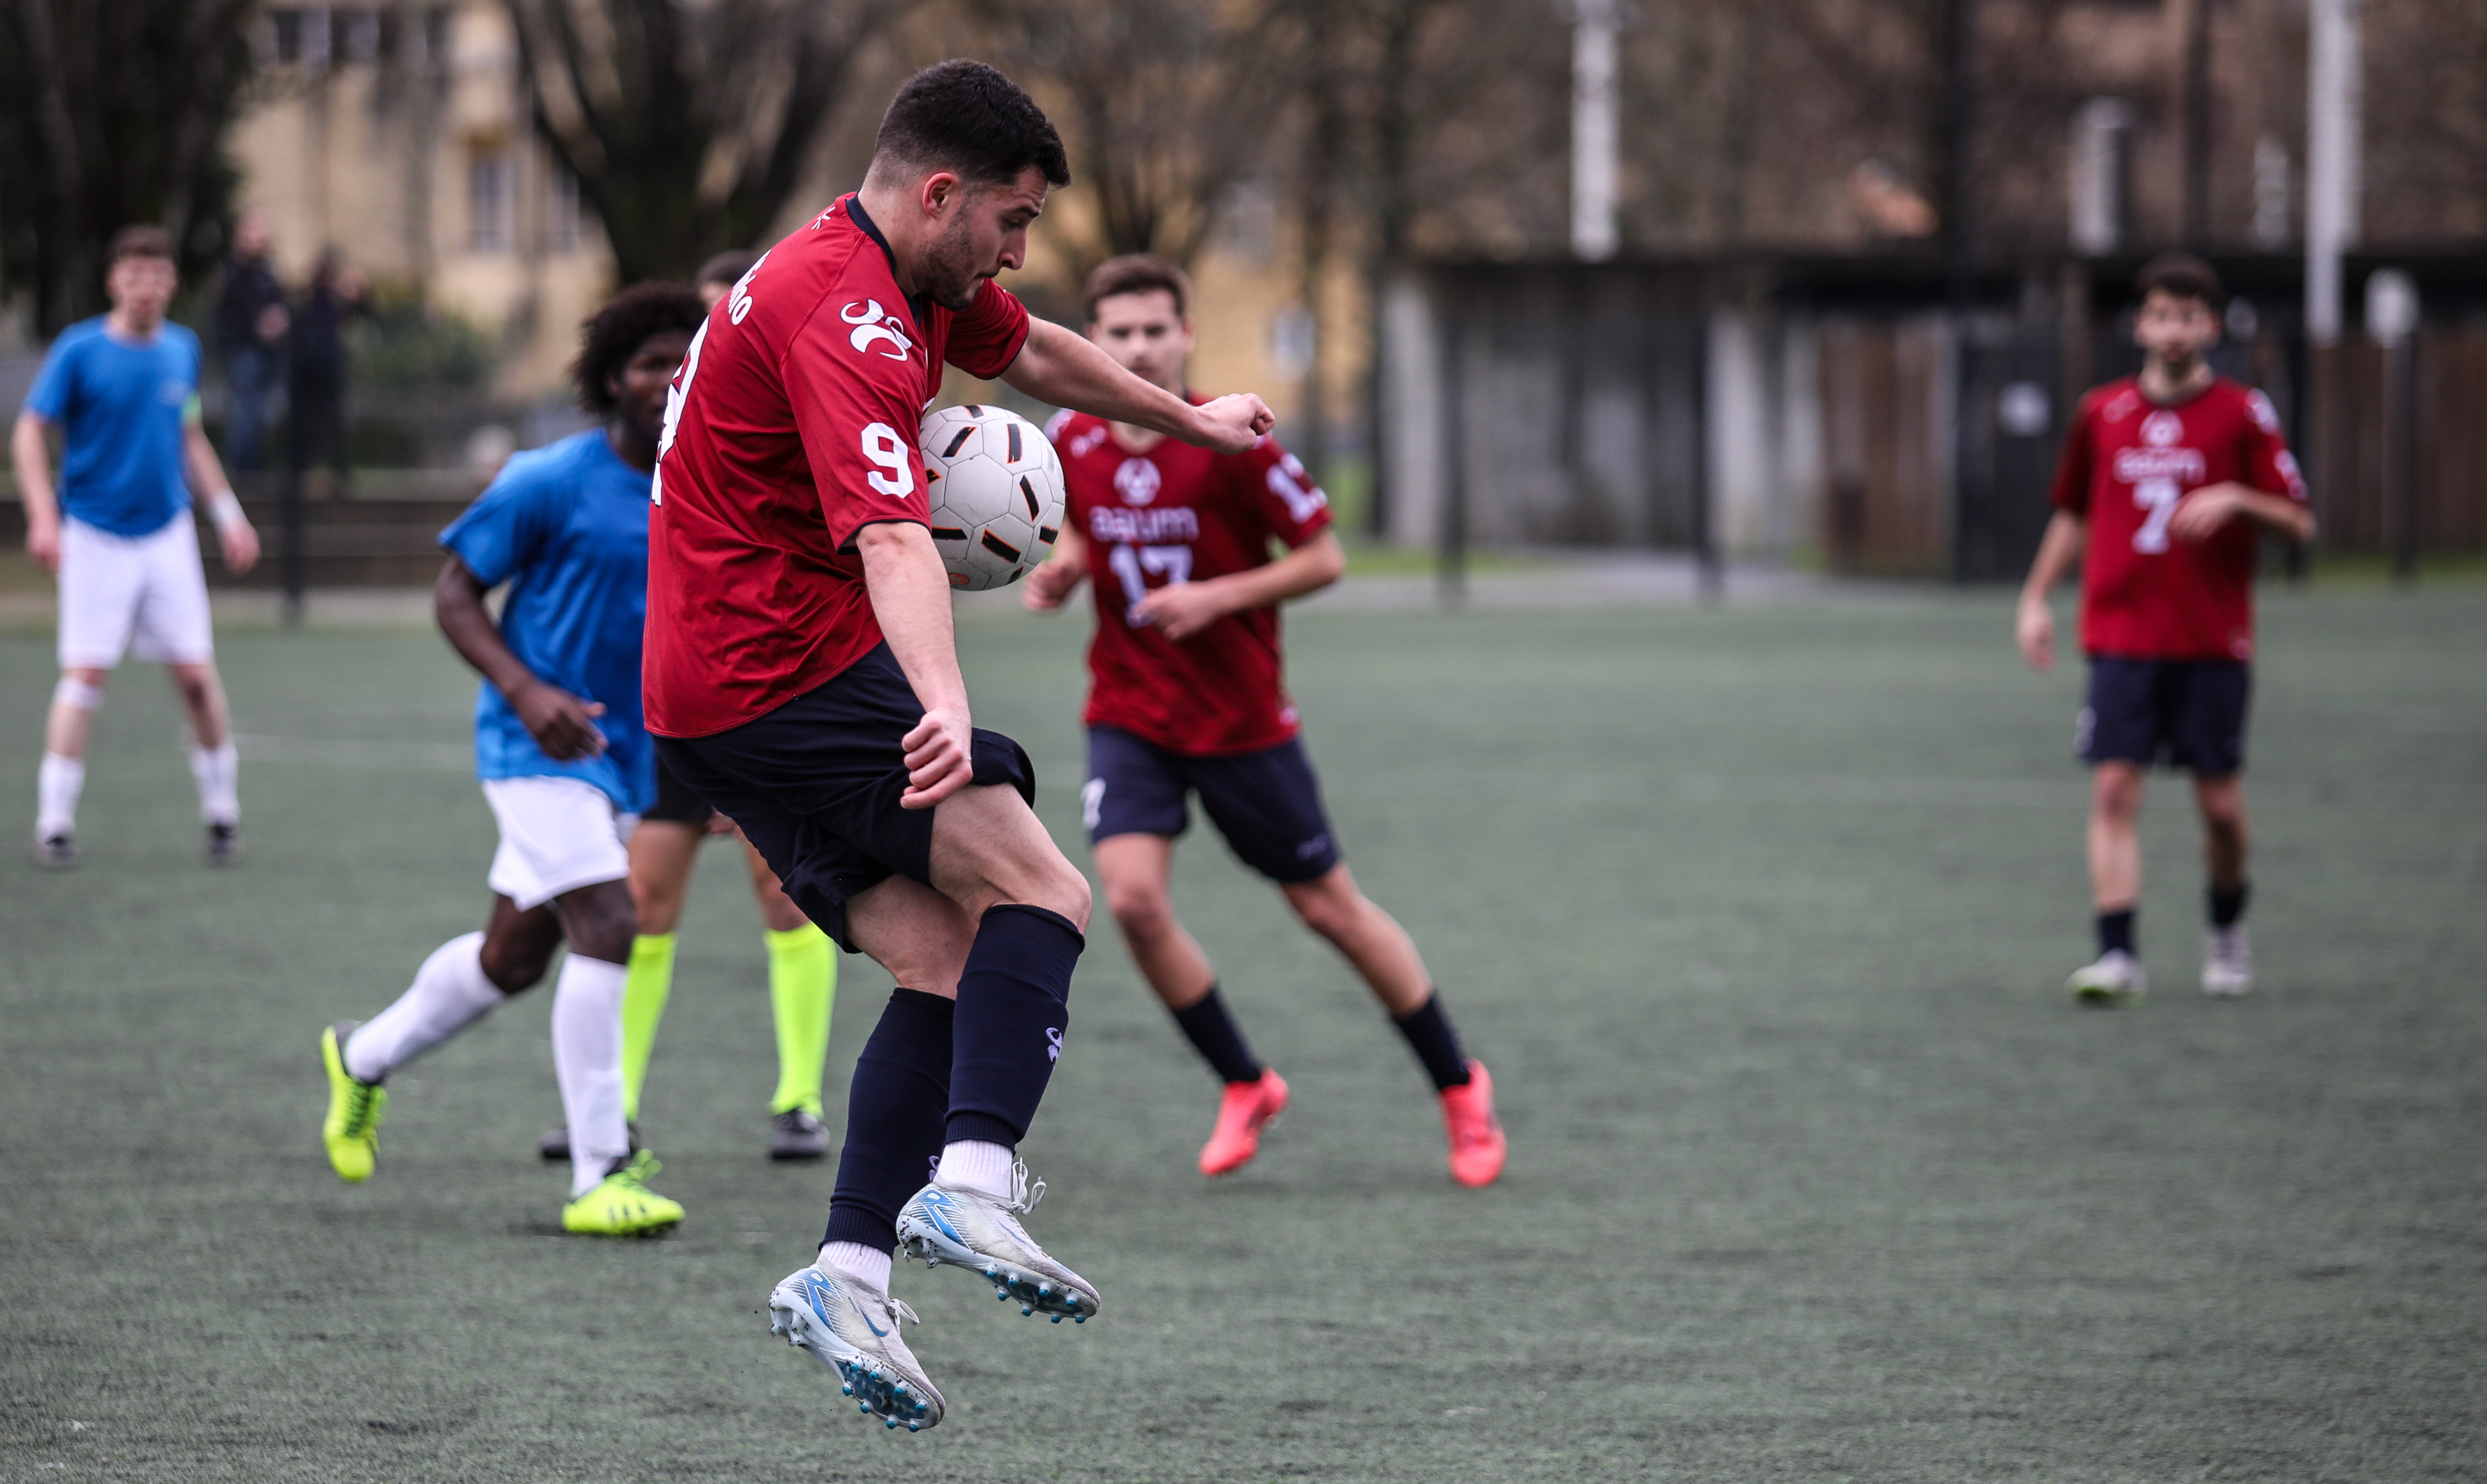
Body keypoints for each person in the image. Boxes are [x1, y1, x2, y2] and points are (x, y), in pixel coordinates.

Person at [645, 61, 1273, 1431]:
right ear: (940, 194)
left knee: (938, 956)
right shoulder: (847, 311)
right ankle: (975, 1184)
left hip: (709, 694)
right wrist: (936, 700)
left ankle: (848, 1273)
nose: (1019, 249)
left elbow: (1032, 348)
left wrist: (1190, 419)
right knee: (1045, 891)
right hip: (784, 669)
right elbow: (887, 535)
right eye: (1012, 218)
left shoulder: (899, 269)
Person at [1024, 255, 1506, 1187]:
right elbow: (1082, 524)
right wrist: (1065, 564)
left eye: (1154, 329)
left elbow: (1323, 557)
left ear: (1186, 333)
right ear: (1095, 341)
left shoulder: (1230, 435)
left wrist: (1218, 597)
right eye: (1117, 333)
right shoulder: (1072, 438)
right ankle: (1245, 1081)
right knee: (1126, 899)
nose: (1138, 346)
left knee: (1329, 908)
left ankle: (1459, 1082)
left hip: (1243, 721)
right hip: (1129, 710)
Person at [316, 284, 707, 1235]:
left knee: (514, 954)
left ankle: (362, 1057)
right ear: (612, 377)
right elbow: (455, 594)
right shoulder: (548, 478)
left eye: (684, 362)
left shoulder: (710, 479)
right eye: (651, 363)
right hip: (531, 746)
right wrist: (528, 692)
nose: (669, 380)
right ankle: (600, 1168)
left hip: (628, 755)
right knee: (610, 918)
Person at [536, 246, 840, 1166]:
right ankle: (612, 1108)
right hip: (669, 710)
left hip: (765, 697)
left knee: (785, 888)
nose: (696, 353)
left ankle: (800, 1098)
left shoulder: (775, 438)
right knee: (643, 898)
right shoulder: (631, 459)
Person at [2015, 255, 2315, 1003]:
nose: (2173, 329)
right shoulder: (2103, 413)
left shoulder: (2242, 414)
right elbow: (2074, 512)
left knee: (2219, 808)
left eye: (2189, 316)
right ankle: (2117, 955)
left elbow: (2300, 522)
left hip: (2210, 640)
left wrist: (2238, 499)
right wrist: (2034, 598)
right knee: (2114, 789)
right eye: (2160, 315)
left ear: (2210, 327)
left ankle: (2224, 926)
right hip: (2120, 637)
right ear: (2140, 323)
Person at [13, 225, 261, 867]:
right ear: (114, 282)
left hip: (167, 535)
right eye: (133, 275)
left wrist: (228, 515)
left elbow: (191, 437)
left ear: (171, 283)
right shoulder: (79, 350)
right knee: (86, 674)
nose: (146, 288)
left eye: (157, 275)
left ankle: (221, 813)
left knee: (196, 676)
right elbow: (29, 433)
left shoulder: (183, 350)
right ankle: (55, 821)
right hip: (94, 533)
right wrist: (43, 517)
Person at [212, 212, 288, 473]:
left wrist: (279, 320)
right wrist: (258, 325)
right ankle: (243, 466)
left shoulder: (267, 271)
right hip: (242, 349)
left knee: (262, 408)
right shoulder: (230, 272)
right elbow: (224, 316)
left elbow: (280, 302)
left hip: (269, 351)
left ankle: (257, 464)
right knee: (245, 406)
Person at [287, 250, 365, 493]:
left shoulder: (335, 303)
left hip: (328, 373)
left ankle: (339, 475)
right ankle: (298, 475)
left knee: (333, 426)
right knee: (303, 427)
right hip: (305, 374)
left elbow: (363, 314)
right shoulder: (305, 303)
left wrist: (359, 293)